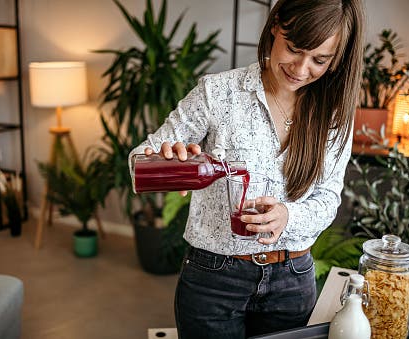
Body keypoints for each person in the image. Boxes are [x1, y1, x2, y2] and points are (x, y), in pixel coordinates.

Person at [129, 0, 364, 337]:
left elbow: (328, 199)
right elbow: (139, 159)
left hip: (293, 282)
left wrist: (287, 216)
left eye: (320, 60)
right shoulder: (217, 93)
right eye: (294, 48)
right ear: (275, 25)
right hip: (213, 279)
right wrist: (163, 160)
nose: (300, 68)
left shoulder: (336, 113)